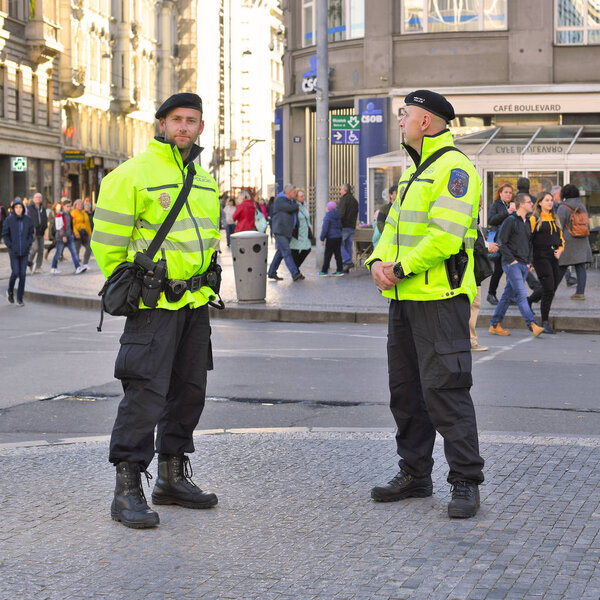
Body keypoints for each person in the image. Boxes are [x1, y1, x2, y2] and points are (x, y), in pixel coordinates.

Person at [90, 92, 221, 529]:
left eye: (192, 121)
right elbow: (107, 246)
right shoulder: (131, 175)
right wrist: (136, 286)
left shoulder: (204, 180)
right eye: (176, 120)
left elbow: (208, 239)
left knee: (189, 392)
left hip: (195, 303)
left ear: (201, 127)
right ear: (161, 124)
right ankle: (126, 488)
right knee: (144, 395)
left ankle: (170, 478)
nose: (184, 127)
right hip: (153, 305)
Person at [367, 89, 484, 519]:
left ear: (426, 122)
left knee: (446, 391)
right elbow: (392, 228)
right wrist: (377, 261)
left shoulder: (455, 169)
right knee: (407, 394)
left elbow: (446, 236)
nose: (400, 120)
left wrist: (399, 269)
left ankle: (466, 481)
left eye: (406, 114)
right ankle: (415, 474)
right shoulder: (413, 173)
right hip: (404, 299)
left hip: (439, 299)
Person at [489, 194, 544, 337]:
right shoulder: (510, 221)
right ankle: (532, 324)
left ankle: (495, 324)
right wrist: (511, 260)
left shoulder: (527, 222)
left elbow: (529, 243)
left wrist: (528, 262)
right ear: (521, 204)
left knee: (507, 296)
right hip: (512, 264)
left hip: (523, 264)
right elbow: (501, 242)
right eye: (529, 202)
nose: (532, 204)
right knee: (521, 294)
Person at [527, 192, 564, 334]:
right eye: (547, 200)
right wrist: (527, 260)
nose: (550, 202)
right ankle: (545, 322)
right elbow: (528, 239)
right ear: (540, 202)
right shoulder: (534, 218)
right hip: (540, 256)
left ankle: (529, 300)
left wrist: (560, 249)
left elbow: (560, 237)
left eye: (551, 200)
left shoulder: (555, 218)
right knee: (549, 289)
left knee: (551, 287)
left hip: (553, 256)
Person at [556, 184, 592, 300]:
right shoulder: (582, 206)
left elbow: (558, 226)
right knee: (580, 266)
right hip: (582, 240)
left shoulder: (563, 207)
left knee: (561, 266)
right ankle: (580, 293)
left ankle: (550, 291)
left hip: (568, 241)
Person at [267, 184, 303, 281]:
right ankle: (295, 273)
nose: (295, 194)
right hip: (280, 231)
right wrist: (296, 206)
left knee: (280, 252)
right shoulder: (280, 200)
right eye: (294, 192)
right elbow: (290, 208)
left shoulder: (290, 201)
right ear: (289, 192)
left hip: (287, 231)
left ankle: (271, 272)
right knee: (287, 252)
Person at [486, 183, 515, 305]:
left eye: (510, 192)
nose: (508, 194)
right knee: (498, 270)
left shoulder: (513, 206)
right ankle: (491, 294)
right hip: (499, 242)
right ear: (500, 193)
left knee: (512, 270)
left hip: (511, 242)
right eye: (506, 192)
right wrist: (507, 212)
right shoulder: (496, 205)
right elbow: (491, 220)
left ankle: (509, 296)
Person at [2, 198, 34, 306]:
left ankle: (20, 298)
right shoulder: (9, 220)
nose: (18, 209)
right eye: (16, 207)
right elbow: (5, 234)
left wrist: (28, 243)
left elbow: (31, 233)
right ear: (13, 209)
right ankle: (10, 291)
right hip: (14, 252)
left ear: (23, 208)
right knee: (15, 272)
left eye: (20, 207)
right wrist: (10, 245)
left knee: (23, 275)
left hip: (24, 252)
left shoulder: (28, 219)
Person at [50, 200, 88, 274]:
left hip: (69, 237)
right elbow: (59, 227)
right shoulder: (59, 215)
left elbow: (70, 226)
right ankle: (53, 268)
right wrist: (63, 236)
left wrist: (72, 234)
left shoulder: (69, 215)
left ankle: (78, 267)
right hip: (61, 238)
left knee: (74, 253)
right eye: (67, 206)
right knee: (58, 253)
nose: (69, 208)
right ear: (63, 206)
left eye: (70, 206)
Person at [318, 200, 344, 276]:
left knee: (327, 255)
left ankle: (324, 271)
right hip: (338, 237)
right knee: (338, 254)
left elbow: (325, 228)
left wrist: (322, 238)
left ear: (328, 208)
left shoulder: (328, 216)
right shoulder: (338, 215)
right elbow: (340, 226)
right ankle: (340, 270)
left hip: (331, 238)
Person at [290, 188, 313, 268]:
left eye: (303, 196)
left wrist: (310, 225)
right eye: (301, 196)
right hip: (296, 233)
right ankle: (296, 271)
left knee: (307, 249)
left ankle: (295, 269)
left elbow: (307, 217)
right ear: (296, 197)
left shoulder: (304, 206)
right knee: (295, 251)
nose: (303, 198)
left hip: (305, 233)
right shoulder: (294, 206)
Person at [338, 183, 358, 272]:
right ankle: (346, 267)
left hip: (344, 226)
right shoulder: (354, 200)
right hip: (352, 227)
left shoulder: (344, 200)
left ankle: (348, 261)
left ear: (344, 190)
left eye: (341, 190)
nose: (340, 191)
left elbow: (341, 214)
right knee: (348, 246)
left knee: (339, 245)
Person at [27, 192, 48, 274]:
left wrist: (45, 227)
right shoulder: (29, 208)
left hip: (41, 232)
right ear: (33, 199)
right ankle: (29, 262)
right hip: (33, 232)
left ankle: (38, 267)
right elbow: (27, 219)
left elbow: (45, 219)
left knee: (41, 250)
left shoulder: (43, 208)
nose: (38, 199)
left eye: (40, 197)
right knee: (34, 248)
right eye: (36, 197)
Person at [72, 199, 93, 267]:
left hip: (85, 233)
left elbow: (88, 225)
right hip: (77, 233)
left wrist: (90, 235)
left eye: (82, 204)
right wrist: (76, 233)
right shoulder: (73, 213)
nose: (81, 206)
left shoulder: (84, 213)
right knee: (77, 249)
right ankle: (77, 265)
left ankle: (85, 263)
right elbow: (72, 224)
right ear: (75, 205)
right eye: (79, 204)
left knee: (89, 247)